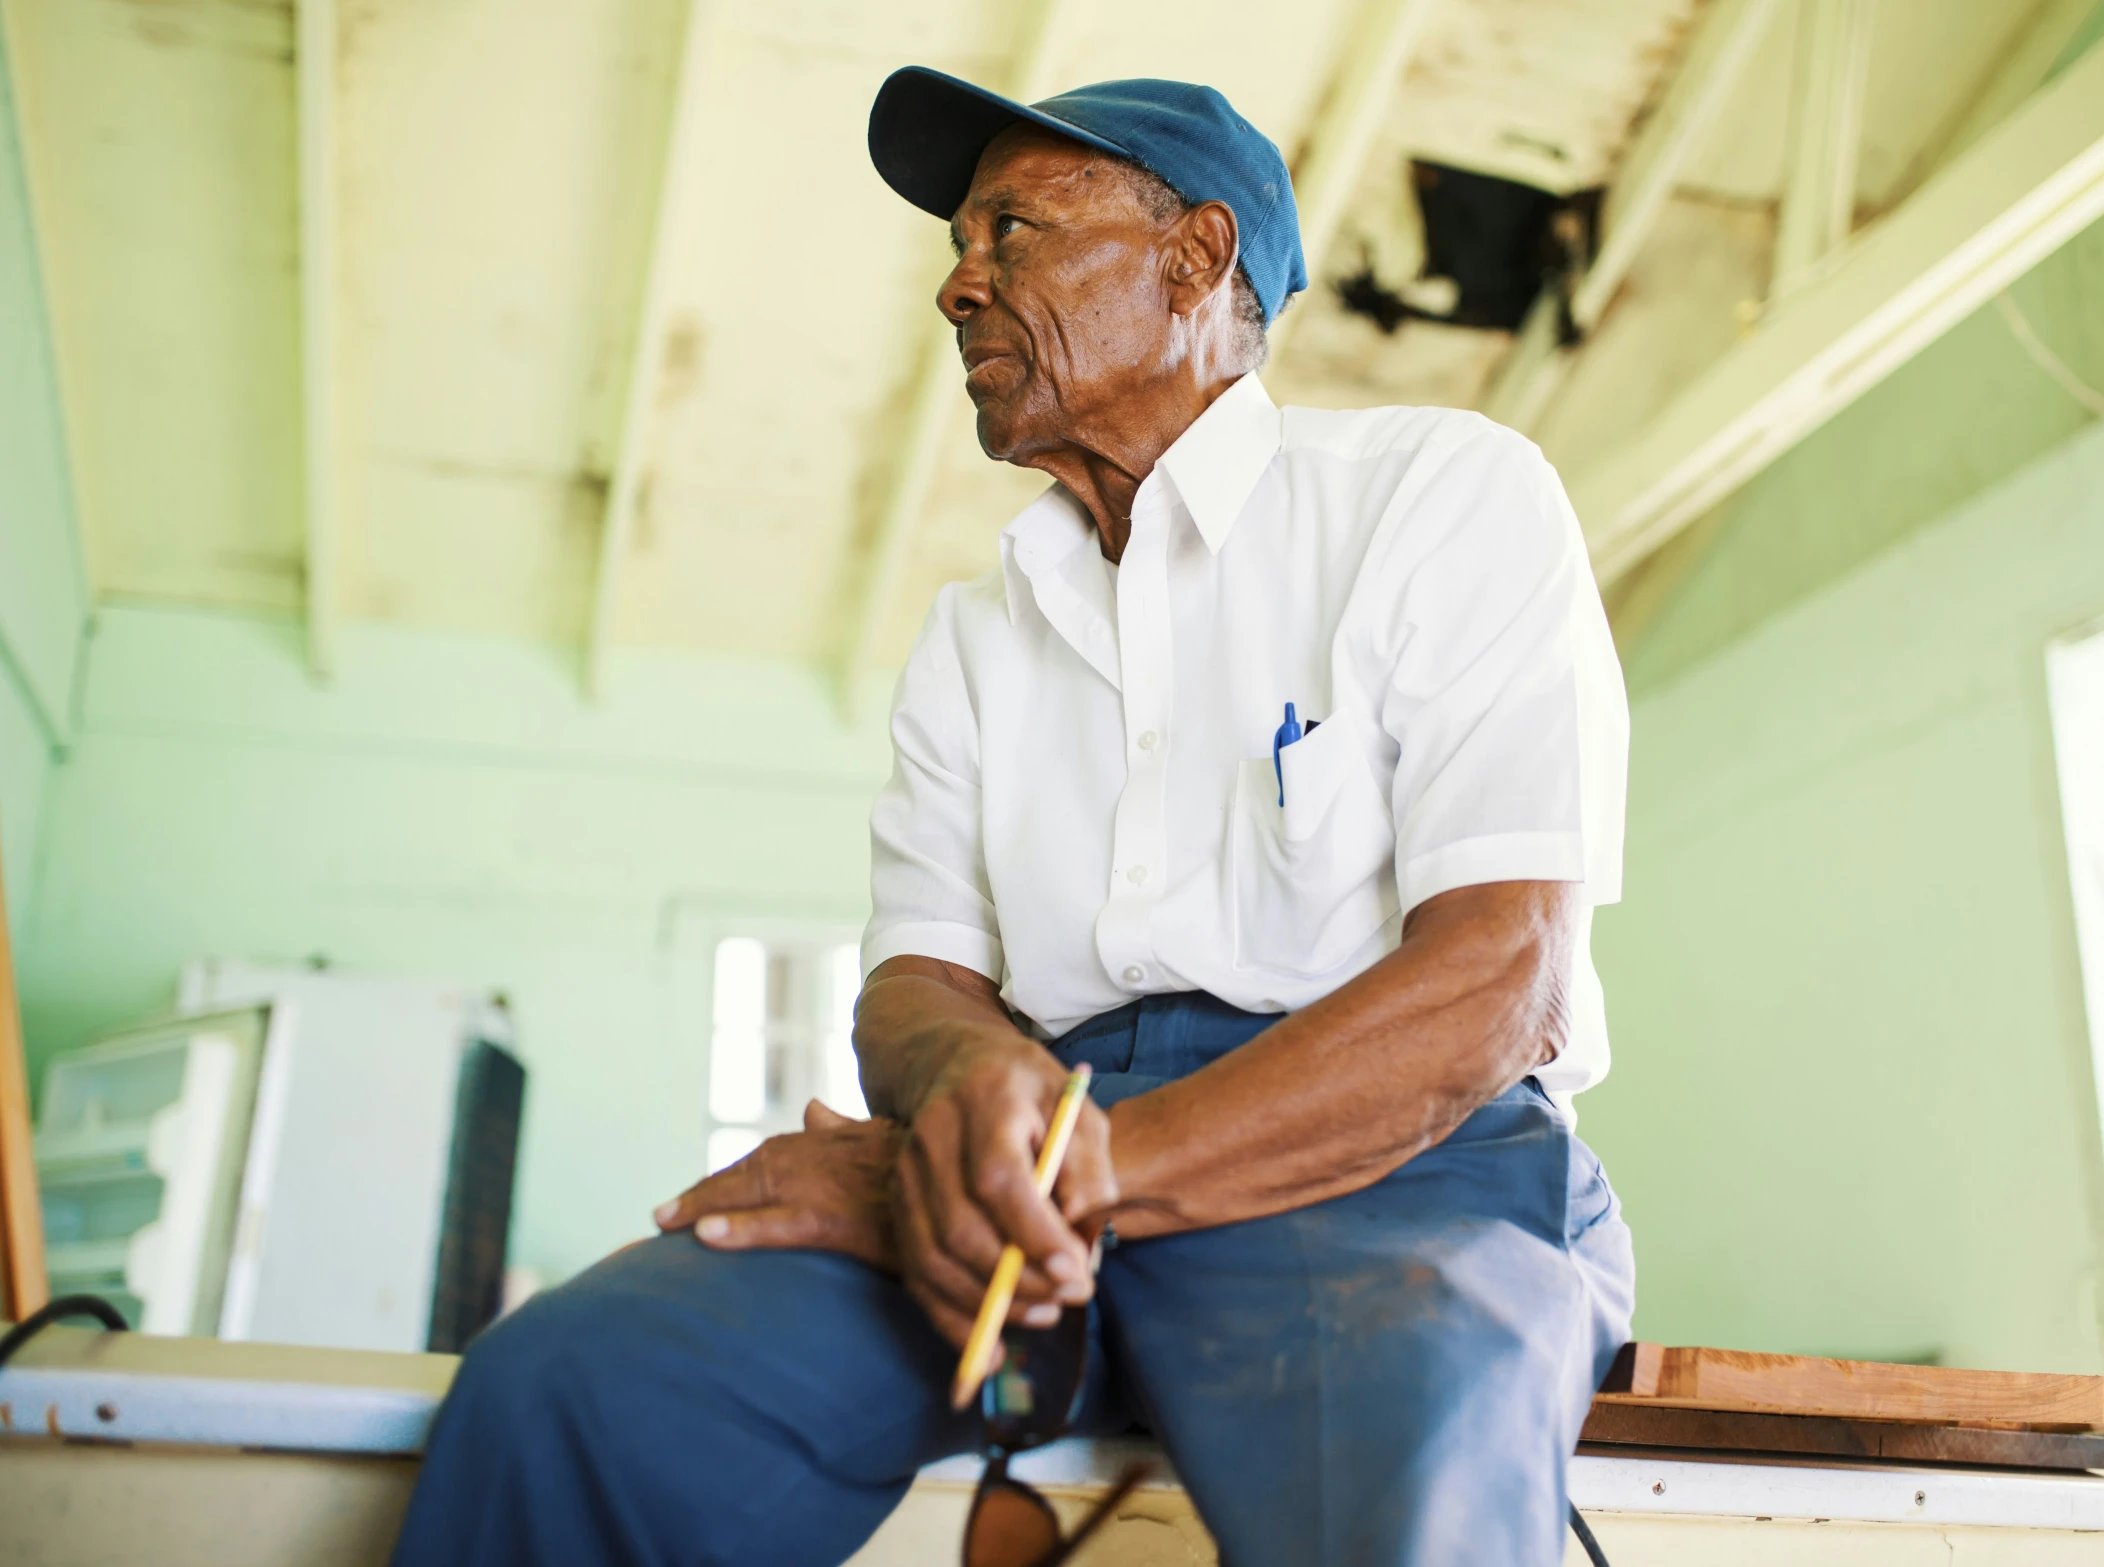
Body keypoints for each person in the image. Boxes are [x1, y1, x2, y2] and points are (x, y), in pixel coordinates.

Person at [391, 68, 1633, 1567]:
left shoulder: (1435, 496)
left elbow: (1500, 977)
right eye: (961, 244)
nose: (954, 285)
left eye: (1011, 232)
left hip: (1380, 1177)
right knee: (578, 1387)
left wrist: (1066, 1161)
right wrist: (977, 1102)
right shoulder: (977, 634)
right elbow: (917, 979)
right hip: (1017, 1180)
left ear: (1194, 261)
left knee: (1415, 1489)